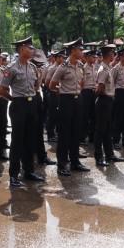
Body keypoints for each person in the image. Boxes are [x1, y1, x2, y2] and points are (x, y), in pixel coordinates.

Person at [0, 37, 45, 187]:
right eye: (30, 48)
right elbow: (1, 90)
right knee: (17, 141)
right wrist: (15, 99)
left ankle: (29, 171)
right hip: (19, 105)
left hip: (32, 104)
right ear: (22, 49)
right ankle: (13, 175)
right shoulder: (11, 68)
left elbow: (37, 86)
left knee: (30, 139)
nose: (33, 51)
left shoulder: (33, 67)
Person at [49, 38, 91, 176]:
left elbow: (83, 83)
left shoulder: (81, 66)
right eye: (80, 49)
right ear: (73, 51)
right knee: (65, 133)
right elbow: (51, 85)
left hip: (77, 100)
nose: (82, 52)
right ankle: (62, 164)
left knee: (76, 132)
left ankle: (75, 162)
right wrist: (63, 92)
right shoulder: (63, 67)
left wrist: (76, 92)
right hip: (66, 101)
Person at [94, 44, 124, 166]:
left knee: (107, 129)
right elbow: (100, 88)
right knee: (100, 130)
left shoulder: (108, 68)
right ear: (110, 55)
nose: (114, 55)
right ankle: (98, 156)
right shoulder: (103, 70)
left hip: (108, 100)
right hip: (103, 100)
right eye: (113, 53)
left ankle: (109, 154)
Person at [31, 48, 56, 166]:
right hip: (27, 100)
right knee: (28, 131)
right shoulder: (25, 69)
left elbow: (38, 85)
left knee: (39, 128)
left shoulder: (39, 69)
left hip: (37, 97)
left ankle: (41, 155)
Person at [80, 49, 98, 145]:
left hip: (94, 92)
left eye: (95, 57)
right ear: (87, 58)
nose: (95, 59)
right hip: (85, 92)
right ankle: (82, 137)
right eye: (92, 57)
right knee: (84, 116)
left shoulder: (95, 68)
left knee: (93, 115)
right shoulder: (83, 68)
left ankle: (92, 136)